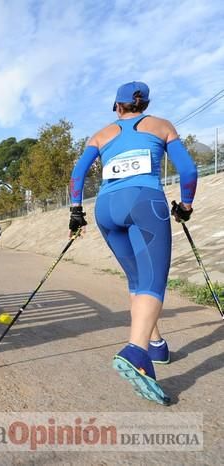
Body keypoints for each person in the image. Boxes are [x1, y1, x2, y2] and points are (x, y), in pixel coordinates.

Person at [68, 81, 197, 405]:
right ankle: (136, 351)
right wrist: (185, 205)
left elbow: (77, 175)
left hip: (106, 209)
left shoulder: (100, 135)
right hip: (145, 204)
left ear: (117, 106)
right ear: (146, 104)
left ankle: (155, 344)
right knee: (153, 282)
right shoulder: (161, 125)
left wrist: (75, 211)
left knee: (138, 279)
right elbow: (189, 171)